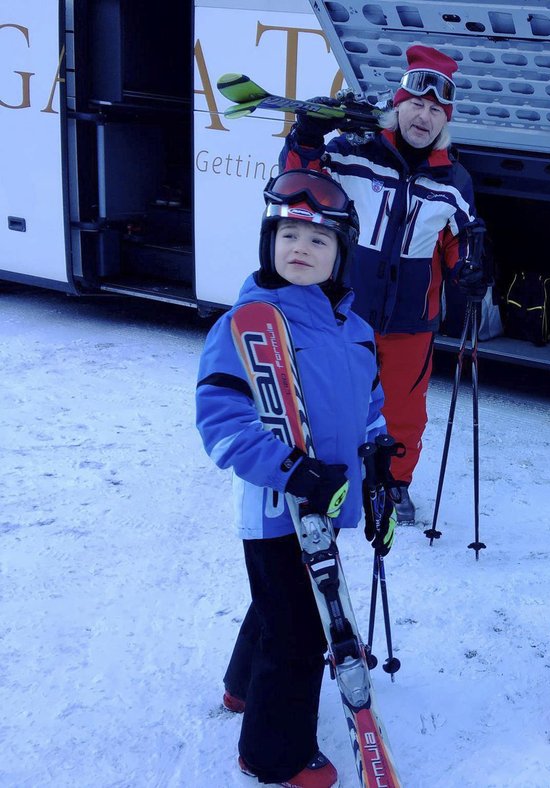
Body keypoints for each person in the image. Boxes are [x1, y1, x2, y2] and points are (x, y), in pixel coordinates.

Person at [196, 169, 390, 787]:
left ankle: (239, 688)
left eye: (318, 239)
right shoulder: (249, 323)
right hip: (274, 506)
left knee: (279, 603)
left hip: (326, 501)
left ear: (341, 257)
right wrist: (290, 470)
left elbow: (370, 404)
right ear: (268, 244)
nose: (300, 248)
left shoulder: (355, 331)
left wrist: (380, 459)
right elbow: (221, 421)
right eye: (287, 235)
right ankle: (273, 755)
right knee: (301, 630)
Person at [280, 44, 486, 526]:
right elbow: (296, 180)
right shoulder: (353, 155)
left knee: (404, 408)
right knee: (331, 392)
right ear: (398, 105)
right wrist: (307, 137)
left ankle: (393, 483)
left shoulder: (454, 179)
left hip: (411, 319)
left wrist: (467, 268)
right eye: (416, 102)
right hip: (344, 308)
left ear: (445, 120)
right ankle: (320, 472)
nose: (424, 115)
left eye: (436, 109)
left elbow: (462, 237)